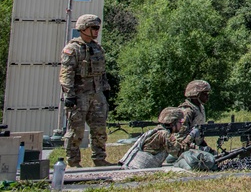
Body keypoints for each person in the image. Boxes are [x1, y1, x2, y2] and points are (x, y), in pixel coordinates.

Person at [59, 14, 111, 167]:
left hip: (97, 94)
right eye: (93, 28)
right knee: (76, 131)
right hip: (79, 95)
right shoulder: (72, 49)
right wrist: (69, 95)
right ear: (83, 29)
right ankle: (73, 162)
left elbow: (102, 73)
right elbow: (66, 73)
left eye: (97, 28)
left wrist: (105, 90)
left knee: (100, 129)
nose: (96, 31)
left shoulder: (97, 48)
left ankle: (99, 158)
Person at [119, 107, 191, 169]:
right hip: (137, 170)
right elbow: (179, 152)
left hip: (133, 167)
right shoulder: (163, 134)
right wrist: (191, 137)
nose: (182, 125)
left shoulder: (157, 131)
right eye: (181, 121)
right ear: (172, 122)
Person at [177, 80, 211, 147]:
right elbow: (181, 137)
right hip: (184, 148)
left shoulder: (200, 108)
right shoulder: (187, 110)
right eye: (204, 94)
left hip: (195, 145)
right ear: (196, 94)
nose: (207, 96)